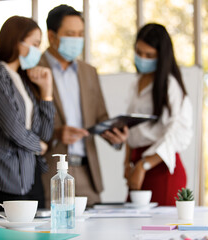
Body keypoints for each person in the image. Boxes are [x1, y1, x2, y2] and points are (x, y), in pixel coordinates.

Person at [39, 4, 129, 207]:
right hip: (50, 174)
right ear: (52, 36)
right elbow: (26, 124)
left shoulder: (89, 72)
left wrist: (116, 137)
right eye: (70, 34)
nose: (76, 40)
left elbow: (101, 117)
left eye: (80, 34)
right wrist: (56, 133)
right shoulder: (35, 69)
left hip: (89, 175)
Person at [0, 16, 55, 212]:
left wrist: (46, 92)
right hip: (3, 178)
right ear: (16, 41)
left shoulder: (23, 80)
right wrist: (38, 146)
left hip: (31, 176)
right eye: (35, 44)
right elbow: (12, 127)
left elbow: (44, 134)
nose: (38, 50)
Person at [124, 23, 193, 206]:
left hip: (160, 168)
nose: (142, 58)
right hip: (137, 166)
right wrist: (127, 163)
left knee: (161, 231)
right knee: (133, 229)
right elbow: (131, 130)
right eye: (139, 52)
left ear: (161, 57)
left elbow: (177, 133)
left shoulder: (170, 85)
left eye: (149, 55)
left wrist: (144, 165)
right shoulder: (135, 84)